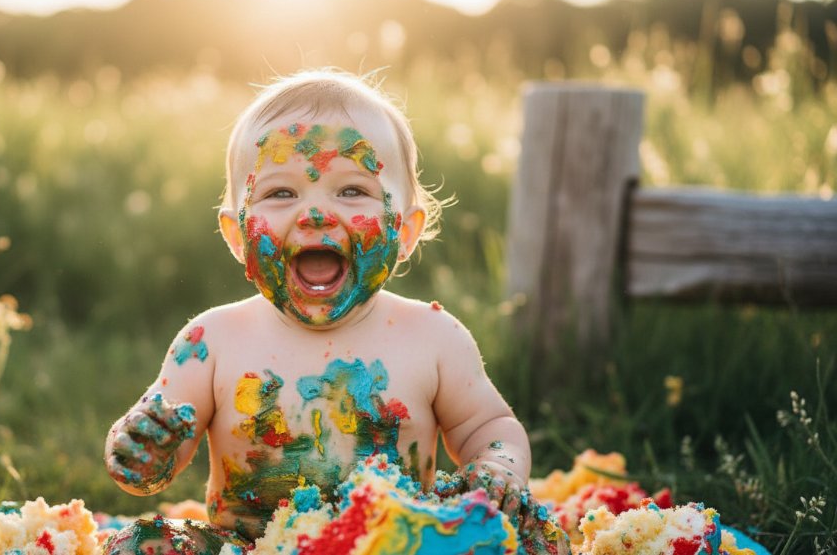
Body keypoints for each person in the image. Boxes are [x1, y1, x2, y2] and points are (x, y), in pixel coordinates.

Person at [102, 69, 563, 554]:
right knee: (138, 546)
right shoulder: (211, 341)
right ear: (237, 236)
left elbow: (488, 428)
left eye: (352, 191)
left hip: (398, 545)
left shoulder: (433, 337)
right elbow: (159, 453)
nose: (316, 214)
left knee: (531, 540)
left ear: (404, 231)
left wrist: (496, 472)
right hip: (247, 547)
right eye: (281, 193)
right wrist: (142, 454)